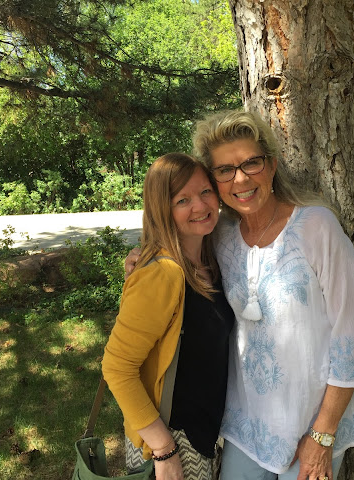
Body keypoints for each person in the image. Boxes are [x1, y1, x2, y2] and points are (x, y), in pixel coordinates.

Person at [126, 111, 354, 480]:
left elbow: (352, 338)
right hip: (246, 427)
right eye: (225, 170)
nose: (241, 178)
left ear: (272, 165)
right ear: (214, 181)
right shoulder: (220, 235)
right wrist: (141, 260)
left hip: (313, 422)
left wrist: (322, 435)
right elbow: (176, 253)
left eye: (251, 163)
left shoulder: (317, 227)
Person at [102, 153, 235, 480]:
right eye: (182, 200)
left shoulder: (206, 259)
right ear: (162, 209)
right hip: (172, 442)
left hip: (202, 434)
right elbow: (117, 368)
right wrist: (163, 449)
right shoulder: (163, 273)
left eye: (205, 191)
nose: (200, 205)